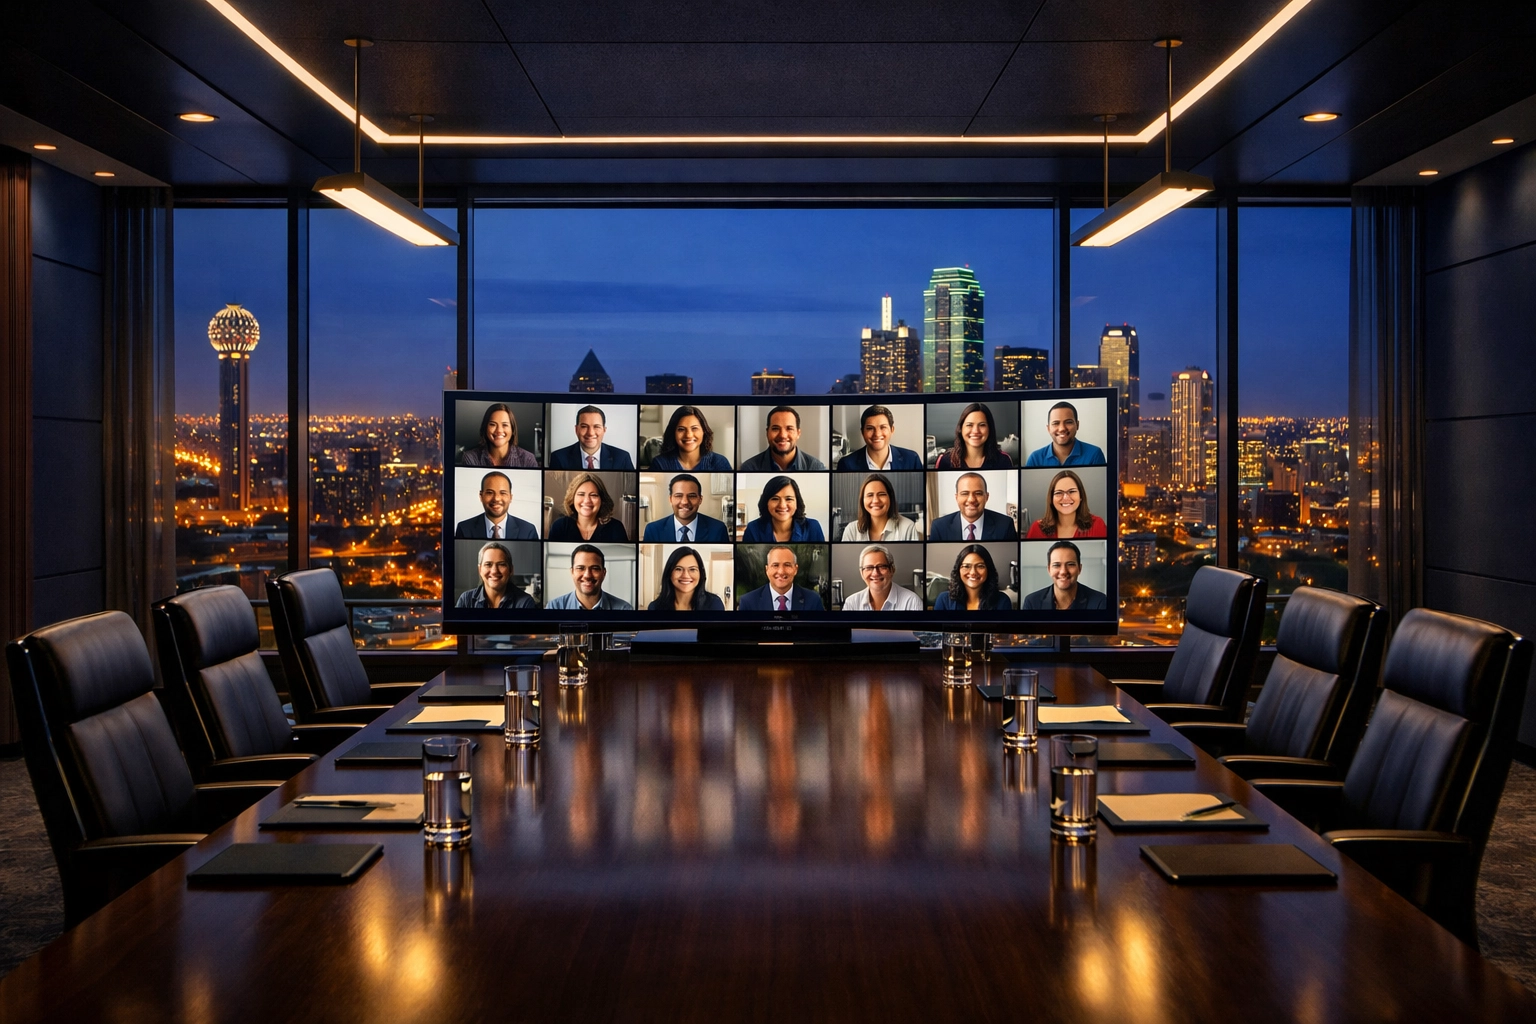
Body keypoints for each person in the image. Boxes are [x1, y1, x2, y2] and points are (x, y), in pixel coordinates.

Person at [928, 472, 1019, 541]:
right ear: (957, 498)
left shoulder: (1005, 525)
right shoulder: (939, 527)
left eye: (978, 493)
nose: (971, 499)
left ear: (986, 497)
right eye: (965, 494)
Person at [642, 473, 730, 542]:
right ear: (670, 499)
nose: (685, 502)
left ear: (700, 499)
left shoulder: (718, 529)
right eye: (678, 496)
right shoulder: (653, 530)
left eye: (691, 496)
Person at [1022, 540, 1108, 610]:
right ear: (1049, 569)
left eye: (1070, 564)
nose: (1063, 571)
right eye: (1056, 565)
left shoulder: (1099, 602)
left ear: (1080, 568)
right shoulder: (1032, 602)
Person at [545, 544, 634, 611]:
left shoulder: (624, 609)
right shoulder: (554, 607)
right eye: (580, 568)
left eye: (595, 568)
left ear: (603, 573)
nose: (587, 575)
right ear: (572, 572)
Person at [454, 471, 540, 540]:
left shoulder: (528, 530)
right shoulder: (464, 528)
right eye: (490, 493)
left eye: (503, 493)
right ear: (481, 496)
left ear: (510, 497)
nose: (496, 498)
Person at [738, 545, 825, 611]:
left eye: (787, 565)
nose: (781, 571)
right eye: (775, 565)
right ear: (767, 570)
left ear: (795, 569)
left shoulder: (813, 600)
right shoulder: (748, 602)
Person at [837, 405, 923, 471]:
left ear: (892, 430)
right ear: (862, 432)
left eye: (883, 427)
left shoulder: (912, 459)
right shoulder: (846, 464)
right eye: (870, 428)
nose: (877, 434)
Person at [739, 406, 827, 471]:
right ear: (767, 432)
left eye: (789, 428)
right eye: (775, 429)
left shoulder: (816, 467)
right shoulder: (750, 467)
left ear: (798, 433)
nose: (783, 435)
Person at [547, 473, 630, 542]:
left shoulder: (615, 528)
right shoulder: (559, 526)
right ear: (572, 498)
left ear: (602, 499)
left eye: (593, 495)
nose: (587, 501)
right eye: (581, 494)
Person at [742, 475, 826, 543]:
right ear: (766, 502)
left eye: (789, 499)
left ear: (797, 502)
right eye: (775, 499)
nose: (782, 505)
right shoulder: (753, 529)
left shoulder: (812, 527)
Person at [547, 405, 635, 470]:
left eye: (596, 427)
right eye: (584, 426)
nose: (590, 433)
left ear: (604, 430)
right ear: (576, 429)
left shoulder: (622, 457)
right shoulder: (559, 457)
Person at [1026, 469, 1107, 539]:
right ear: (1051, 499)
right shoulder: (1037, 528)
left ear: (1081, 496)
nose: (1065, 498)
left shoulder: (1097, 525)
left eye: (1071, 491)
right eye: (1059, 493)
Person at [840, 473, 922, 542]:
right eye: (870, 495)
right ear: (862, 500)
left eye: (882, 494)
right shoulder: (851, 530)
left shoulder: (907, 527)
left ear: (890, 498)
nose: (875, 500)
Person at [454, 542, 537, 609]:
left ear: (511, 570)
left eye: (501, 564)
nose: (494, 571)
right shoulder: (466, 600)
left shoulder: (525, 603)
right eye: (488, 564)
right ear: (480, 570)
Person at [1023, 401, 1106, 468]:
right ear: (1048, 428)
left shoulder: (1094, 454)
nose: (1062, 428)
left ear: (1077, 425)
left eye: (1068, 422)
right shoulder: (1035, 458)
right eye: (1056, 423)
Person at [841, 543, 922, 611]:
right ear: (862, 573)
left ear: (892, 570)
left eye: (882, 566)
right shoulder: (851, 603)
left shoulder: (912, 601)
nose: (875, 573)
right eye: (869, 568)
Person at [650, 406, 732, 471]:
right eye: (681, 429)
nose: (688, 435)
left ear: (704, 431)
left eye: (694, 428)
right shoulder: (659, 463)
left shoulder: (719, 462)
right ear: (673, 432)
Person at [933, 544, 1012, 611]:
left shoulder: (1002, 601)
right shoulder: (943, 600)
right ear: (958, 570)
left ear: (988, 569)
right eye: (967, 566)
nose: (973, 572)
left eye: (980, 566)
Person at [458, 403, 539, 467]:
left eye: (505, 425)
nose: (499, 430)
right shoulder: (470, 458)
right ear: (485, 428)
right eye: (493, 424)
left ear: (513, 429)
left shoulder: (528, 459)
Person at [648, 546, 726, 612]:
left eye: (692, 569)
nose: (685, 575)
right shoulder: (654, 607)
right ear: (669, 573)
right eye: (678, 569)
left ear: (700, 574)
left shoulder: (715, 604)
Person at [935, 403, 1012, 469]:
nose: (975, 431)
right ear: (960, 429)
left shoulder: (1003, 460)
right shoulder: (945, 461)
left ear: (990, 428)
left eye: (982, 425)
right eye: (969, 425)